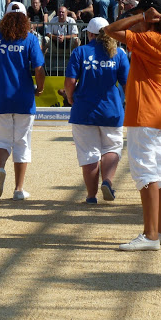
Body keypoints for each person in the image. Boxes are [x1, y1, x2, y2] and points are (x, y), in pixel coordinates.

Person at [104, 0, 161, 251]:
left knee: (146, 173)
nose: (135, 19)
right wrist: (144, 18)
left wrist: (141, 17)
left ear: (151, 16)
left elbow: (110, 30)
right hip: (160, 112)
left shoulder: (151, 39)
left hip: (146, 113)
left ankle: (150, 236)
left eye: (139, 13)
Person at [0, 1, 46, 201]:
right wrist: (40, 88)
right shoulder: (30, 39)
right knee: (22, 143)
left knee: (1, 140)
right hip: (23, 98)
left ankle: (0, 168)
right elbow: (39, 69)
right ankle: (18, 189)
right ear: (26, 18)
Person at [64, 17, 130, 204]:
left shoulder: (80, 51)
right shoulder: (119, 53)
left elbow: (70, 82)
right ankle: (107, 182)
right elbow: (127, 84)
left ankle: (91, 196)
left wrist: (70, 97)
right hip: (111, 109)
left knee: (88, 153)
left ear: (91, 34)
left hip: (83, 110)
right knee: (112, 148)